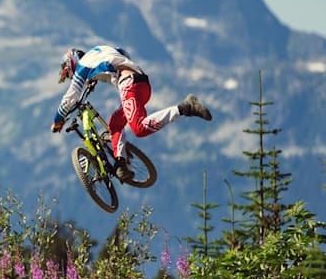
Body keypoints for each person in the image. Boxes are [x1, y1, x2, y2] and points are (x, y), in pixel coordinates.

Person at [50, 45, 213, 180]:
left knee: (139, 129)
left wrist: (58, 119)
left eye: (68, 74)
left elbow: (70, 98)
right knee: (115, 123)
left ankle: (186, 107)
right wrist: (98, 77)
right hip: (142, 83)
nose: (71, 78)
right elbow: (122, 53)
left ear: (71, 63)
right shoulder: (100, 51)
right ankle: (121, 165)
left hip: (129, 85)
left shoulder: (82, 66)